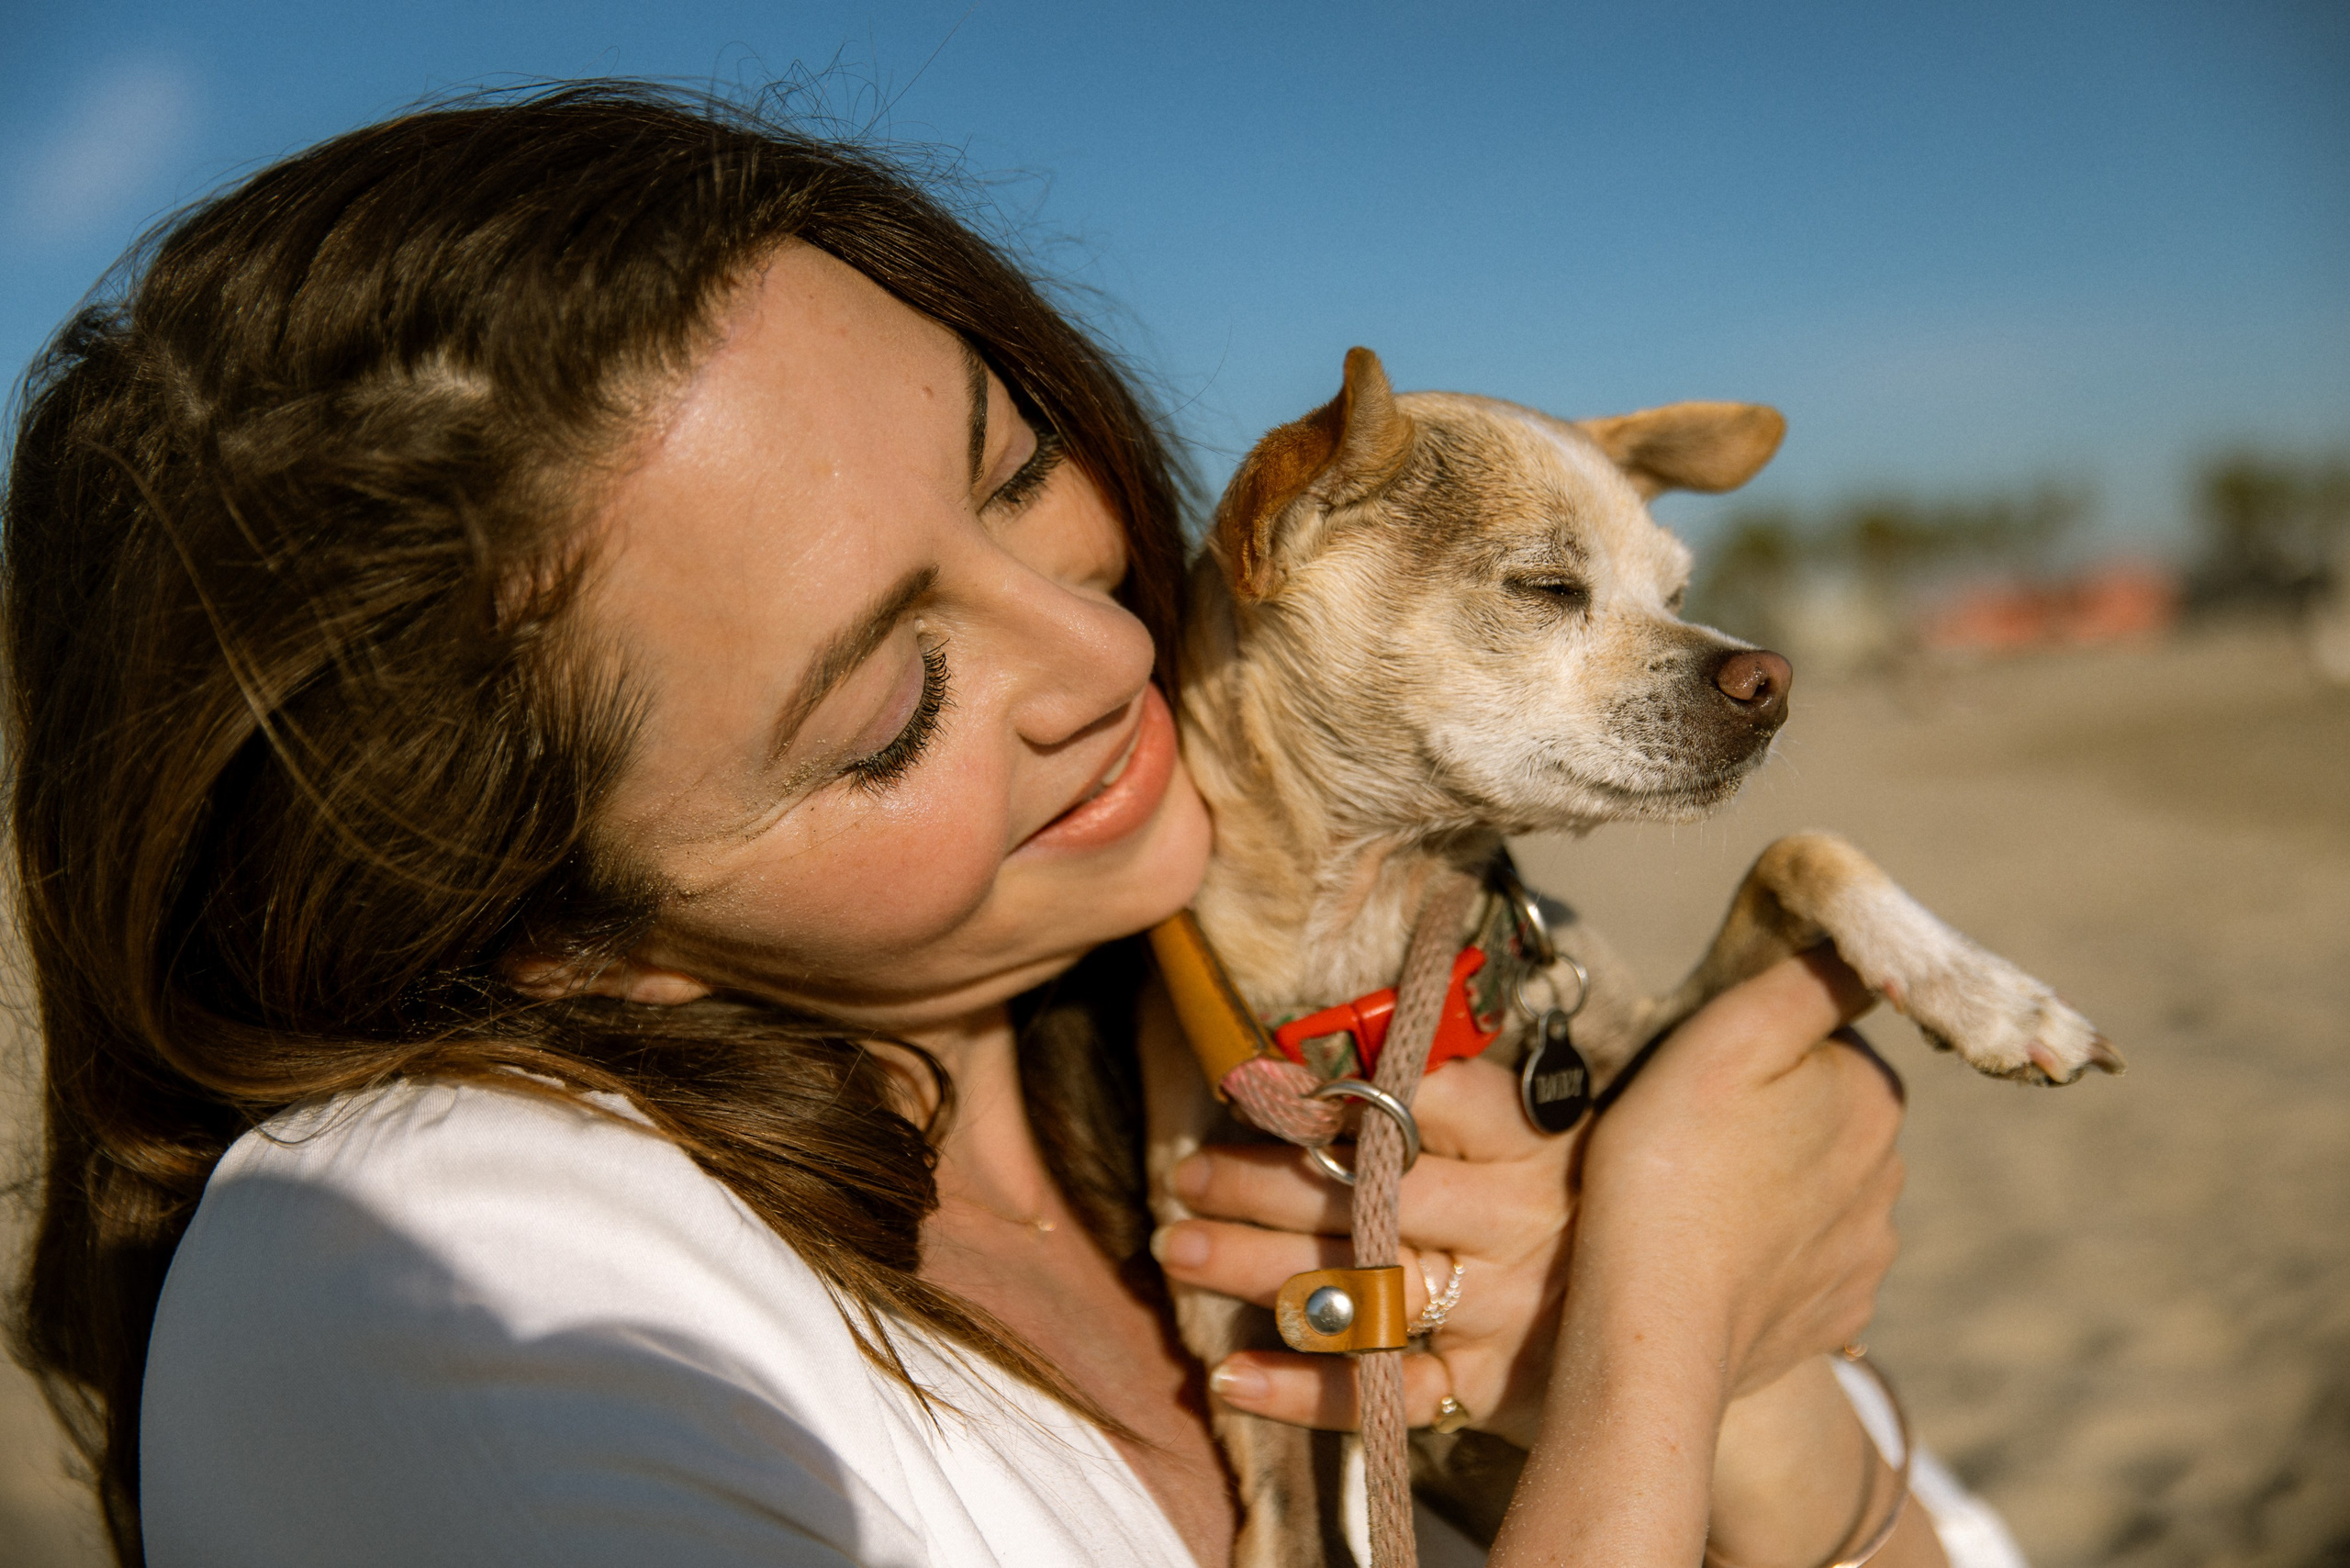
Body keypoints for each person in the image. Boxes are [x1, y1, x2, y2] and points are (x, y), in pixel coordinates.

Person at [4, 84, 1957, 1567]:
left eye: (1019, 469)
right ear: (547, 925)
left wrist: (1766, 1388)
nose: (1099, 646)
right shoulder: (426, 1289)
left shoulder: (1238, 1027)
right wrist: (1669, 1294)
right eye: (888, 705)